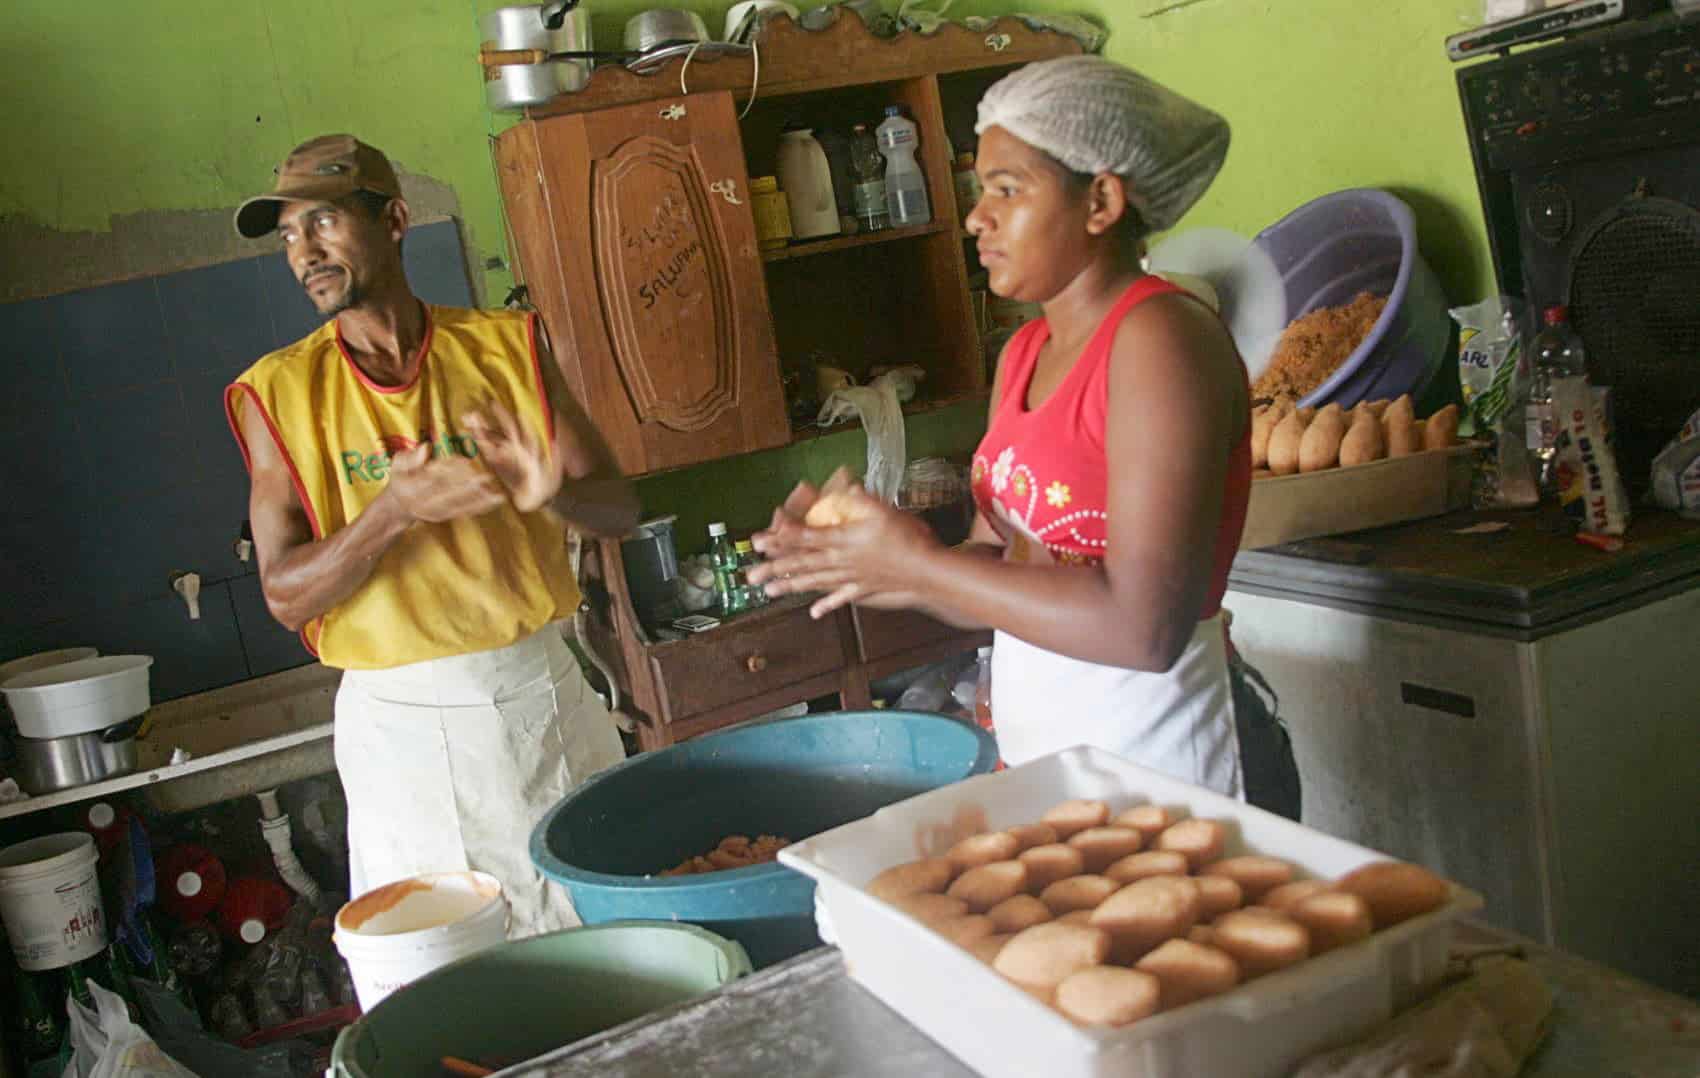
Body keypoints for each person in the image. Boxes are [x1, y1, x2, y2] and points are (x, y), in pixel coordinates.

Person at [752, 58, 1293, 806]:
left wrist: (920, 566)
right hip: (1065, 765)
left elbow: (1144, 630)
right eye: (979, 192)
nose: (977, 217)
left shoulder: (1161, 338)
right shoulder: (1024, 353)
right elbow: (988, 571)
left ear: (1100, 199)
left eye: (1008, 190)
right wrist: (871, 563)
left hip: (1175, 760)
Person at [224, 135, 637, 935]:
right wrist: (394, 511)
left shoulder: (506, 347)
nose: (303, 253)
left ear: (396, 220)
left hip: (537, 699)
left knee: (599, 935)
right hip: (401, 731)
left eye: (323, 224)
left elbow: (618, 505)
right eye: (288, 237)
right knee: (453, 974)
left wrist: (547, 492)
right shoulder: (277, 393)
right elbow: (282, 594)